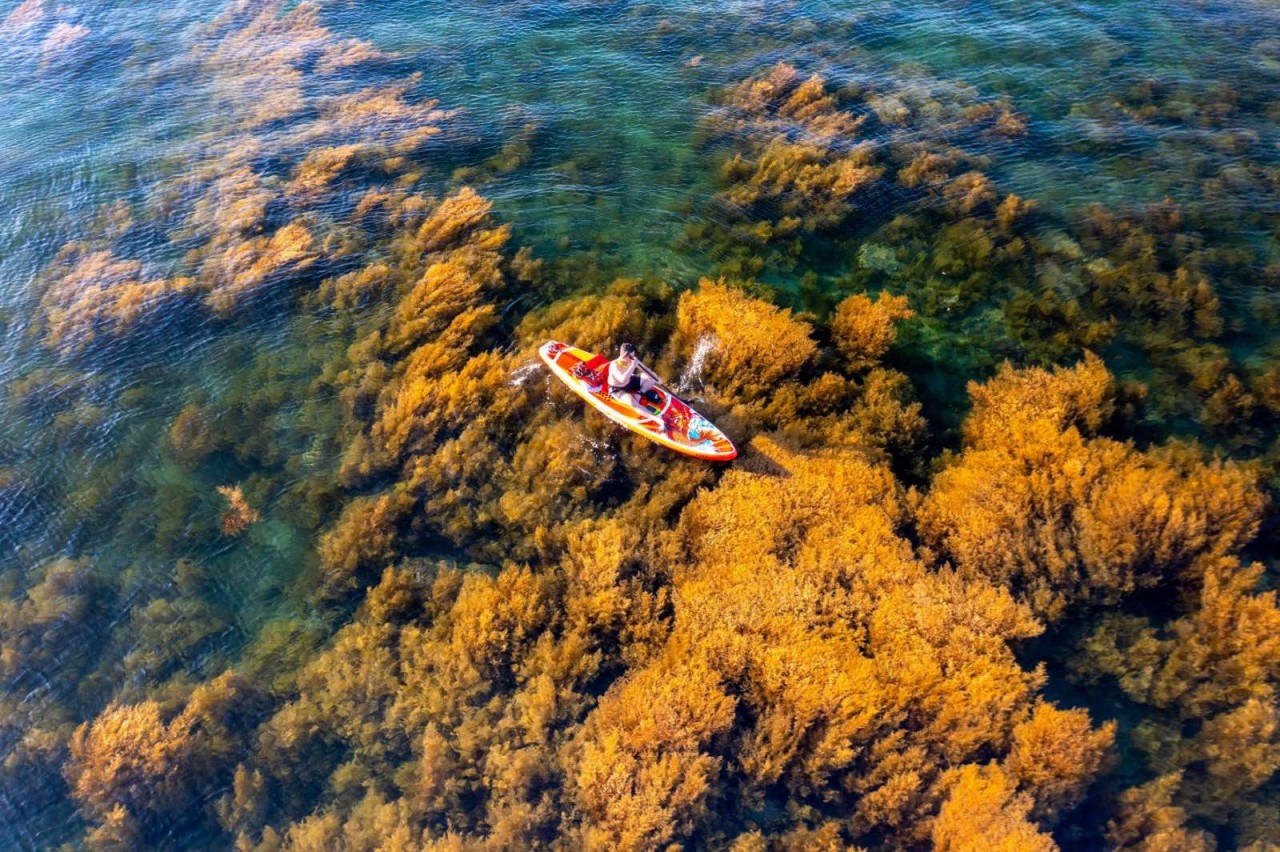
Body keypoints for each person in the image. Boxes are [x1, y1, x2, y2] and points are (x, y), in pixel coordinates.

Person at [607, 343, 665, 431]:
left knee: (651, 377)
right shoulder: (614, 365)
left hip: (630, 381)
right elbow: (622, 379)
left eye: (634, 355)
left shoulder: (632, 360)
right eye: (632, 356)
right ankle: (657, 419)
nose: (634, 357)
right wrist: (633, 366)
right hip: (618, 389)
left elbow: (645, 370)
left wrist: (656, 378)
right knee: (632, 403)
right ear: (625, 356)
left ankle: (639, 393)